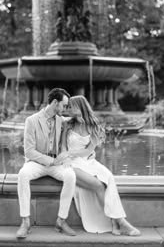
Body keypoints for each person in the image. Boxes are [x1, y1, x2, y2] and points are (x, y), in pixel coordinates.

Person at [59, 95, 141, 236]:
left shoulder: (94, 126)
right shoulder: (67, 124)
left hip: (87, 161)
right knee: (98, 185)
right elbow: (62, 146)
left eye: (70, 106)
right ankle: (120, 222)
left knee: (108, 178)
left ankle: (115, 222)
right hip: (70, 163)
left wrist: (70, 153)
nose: (68, 109)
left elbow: (88, 150)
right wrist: (66, 156)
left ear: (80, 107)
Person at [16, 88, 76, 239]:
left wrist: (91, 147)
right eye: (64, 105)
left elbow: (79, 123)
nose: (66, 108)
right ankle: (25, 221)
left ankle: (61, 221)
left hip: (56, 164)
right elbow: (29, 151)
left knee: (70, 175)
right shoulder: (31, 120)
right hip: (37, 163)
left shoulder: (60, 120)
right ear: (55, 102)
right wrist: (51, 161)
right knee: (23, 174)